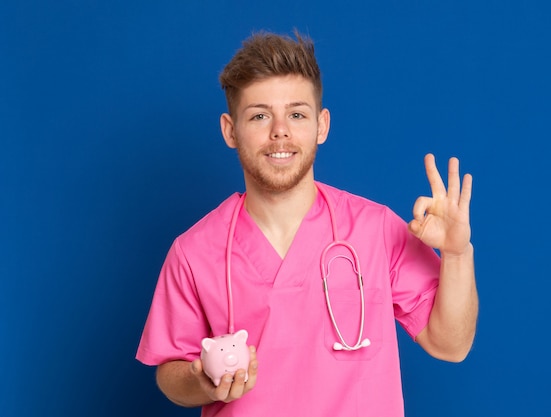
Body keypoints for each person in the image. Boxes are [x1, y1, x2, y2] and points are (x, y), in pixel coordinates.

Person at [136, 30, 478, 417]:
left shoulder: (376, 229)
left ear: (321, 125)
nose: (280, 130)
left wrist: (457, 253)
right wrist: (202, 382)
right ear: (230, 130)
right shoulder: (194, 251)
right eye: (260, 115)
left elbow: (451, 345)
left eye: (296, 114)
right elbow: (169, 372)